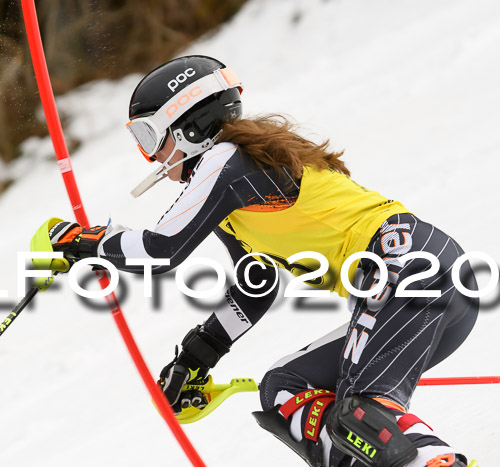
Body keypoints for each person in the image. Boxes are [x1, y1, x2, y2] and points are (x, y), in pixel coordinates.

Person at [43, 55, 479, 467]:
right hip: (428, 276)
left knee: (362, 410)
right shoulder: (233, 185)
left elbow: (160, 249)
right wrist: (196, 358)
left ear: (189, 127)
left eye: (149, 137)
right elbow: (256, 285)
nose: (151, 156)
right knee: (286, 387)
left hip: (405, 267)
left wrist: (83, 241)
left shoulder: (223, 161)